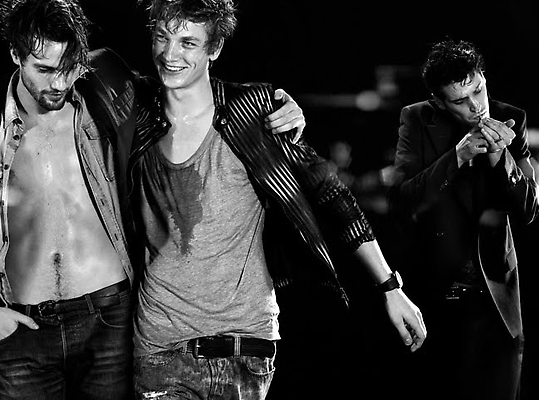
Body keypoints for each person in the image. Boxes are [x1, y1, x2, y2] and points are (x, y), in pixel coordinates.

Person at [0, 0, 303, 398]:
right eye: (45, 70)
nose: (59, 83)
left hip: (109, 319)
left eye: (68, 67)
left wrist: (268, 103)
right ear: (16, 55)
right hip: (24, 329)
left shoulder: (104, 84)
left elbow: (179, 86)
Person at [123, 1, 426, 398]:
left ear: (214, 48)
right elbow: (85, 66)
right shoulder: (135, 110)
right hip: (161, 345)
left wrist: (390, 287)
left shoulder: (254, 111)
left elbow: (331, 194)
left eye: (188, 42)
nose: (170, 53)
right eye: (162, 37)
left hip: (245, 346)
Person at [389, 39, 539, 400]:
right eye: (460, 100)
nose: (476, 106)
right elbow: (403, 202)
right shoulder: (416, 118)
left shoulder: (512, 118)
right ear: (439, 102)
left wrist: (500, 157)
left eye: (478, 90)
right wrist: (456, 156)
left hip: (495, 300)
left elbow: (529, 209)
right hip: (433, 298)